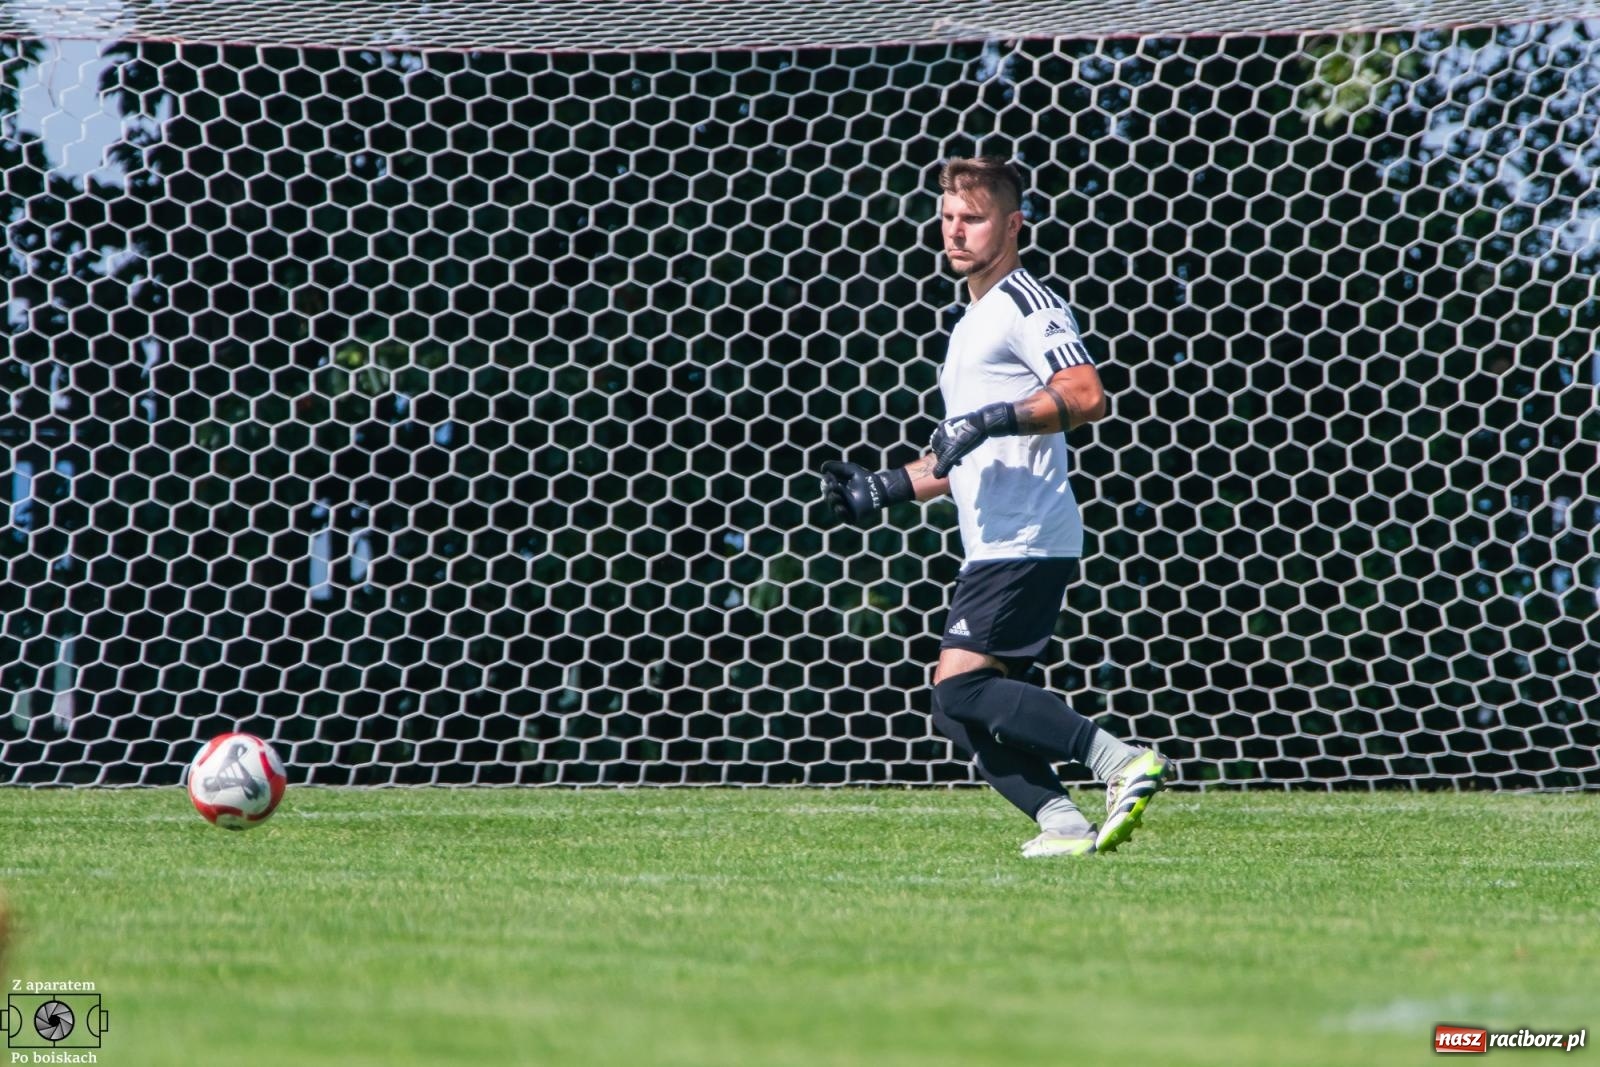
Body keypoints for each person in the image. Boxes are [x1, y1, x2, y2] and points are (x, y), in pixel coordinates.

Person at [821, 156, 1169, 857]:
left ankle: (1117, 760)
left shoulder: (1026, 304)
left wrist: (994, 419)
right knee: (958, 703)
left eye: (972, 219)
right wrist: (883, 487)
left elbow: (1085, 395)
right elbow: (959, 456)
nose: (955, 232)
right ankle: (1061, 822)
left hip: (1028, 535)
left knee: (960, 692)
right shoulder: (970, 323)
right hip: (997, 539)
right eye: (947, 218)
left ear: (1012, 226)